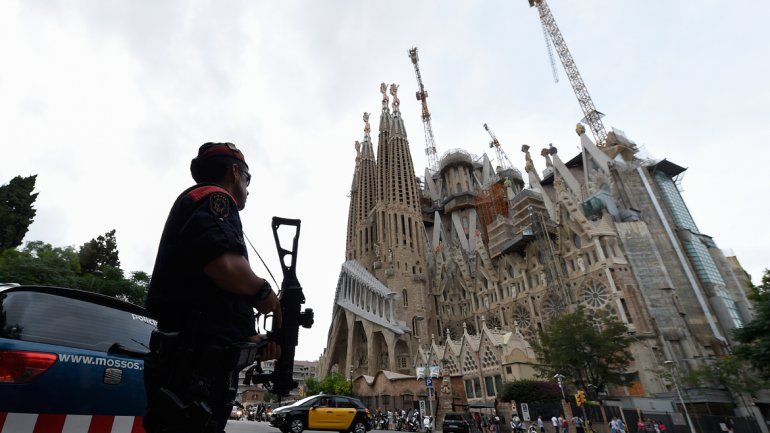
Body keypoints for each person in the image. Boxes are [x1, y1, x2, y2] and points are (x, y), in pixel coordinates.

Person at [143, 142, 282, 433]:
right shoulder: (214, 198)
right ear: (234, 172)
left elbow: (214, 306)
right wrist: (264, 293)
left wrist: (253, 343)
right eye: (247, 178)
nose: (248, 186)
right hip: (192, 370)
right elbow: (224, 267)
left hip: (195, 366)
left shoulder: (200, 202)